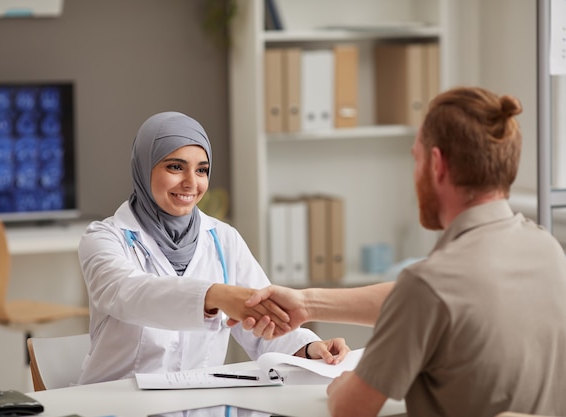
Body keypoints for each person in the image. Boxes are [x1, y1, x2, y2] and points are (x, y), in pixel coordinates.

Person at [237, 87, 566, 417]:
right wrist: (308, 304)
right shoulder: (549, 252)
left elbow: (350, 409)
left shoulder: (430, 285)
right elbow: (436, 303)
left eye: (416, 158)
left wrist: (342, 385)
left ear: (436, 164)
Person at [76, 111, 349, 384]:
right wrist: (214, 295)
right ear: (144, 167)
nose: (191, 183)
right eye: (175, 167)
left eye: (202, 170)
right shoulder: (103, 237)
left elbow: (262, 326)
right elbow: (130, 293)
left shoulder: (222, 238)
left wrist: (310, 348)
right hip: (117, 404)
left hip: (197, 403)